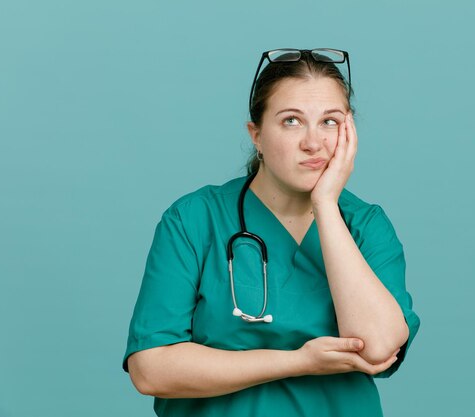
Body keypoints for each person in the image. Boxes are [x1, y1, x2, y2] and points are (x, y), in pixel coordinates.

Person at [122, 48, 421, 417]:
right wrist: (298, 361)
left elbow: (377, 348)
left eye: (329, 121)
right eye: (292, 121)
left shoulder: (365, 226)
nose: (314, 143)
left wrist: (325, 205)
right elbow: (150, 370)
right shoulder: (194, 220)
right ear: (257, 135)